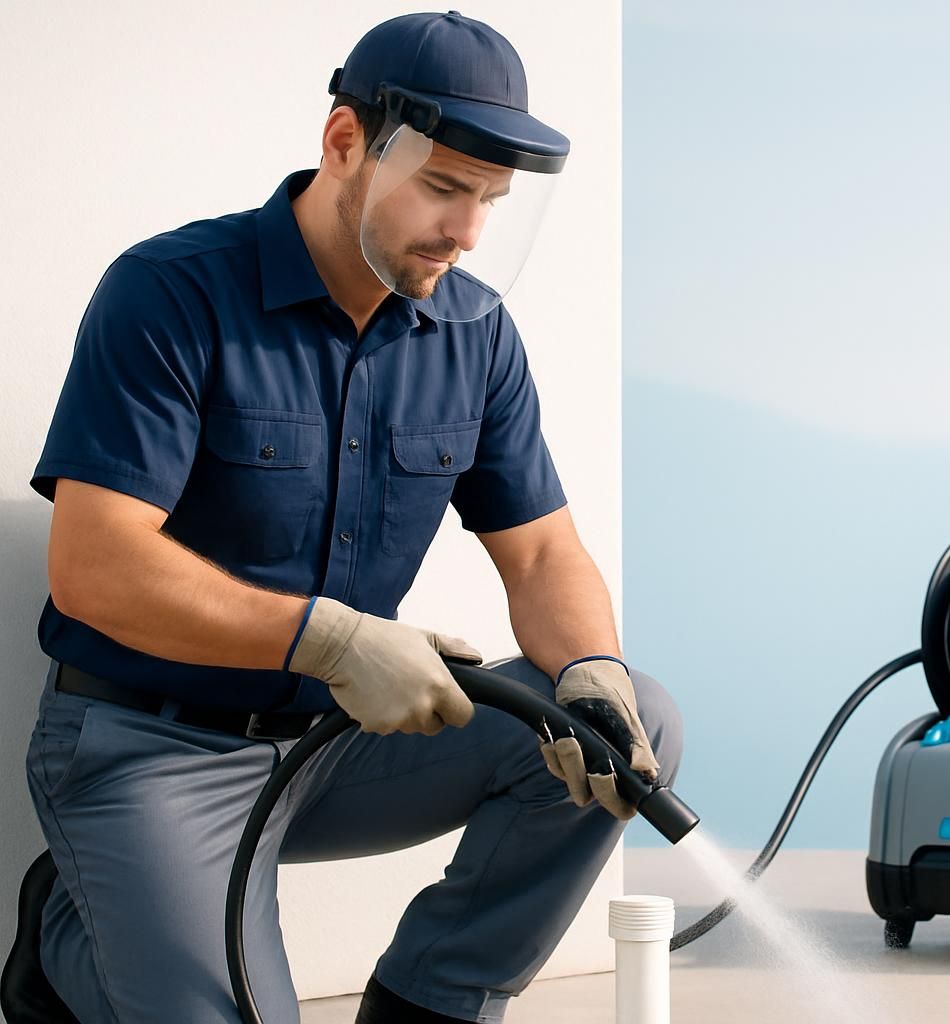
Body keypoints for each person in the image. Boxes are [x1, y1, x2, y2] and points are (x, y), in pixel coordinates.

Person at [0, 11, 683, 1024]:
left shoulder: (475, 333)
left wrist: (592, 674)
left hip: (333, 744)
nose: (467, 230)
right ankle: (72, 939)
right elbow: (95, 568)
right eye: (446, 187)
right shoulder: (170, 295)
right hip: (151, 745)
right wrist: (329, 637)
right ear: (344, 143)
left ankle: (430, 1001)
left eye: (492, 199)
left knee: (638, 724)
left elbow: (541, 554)